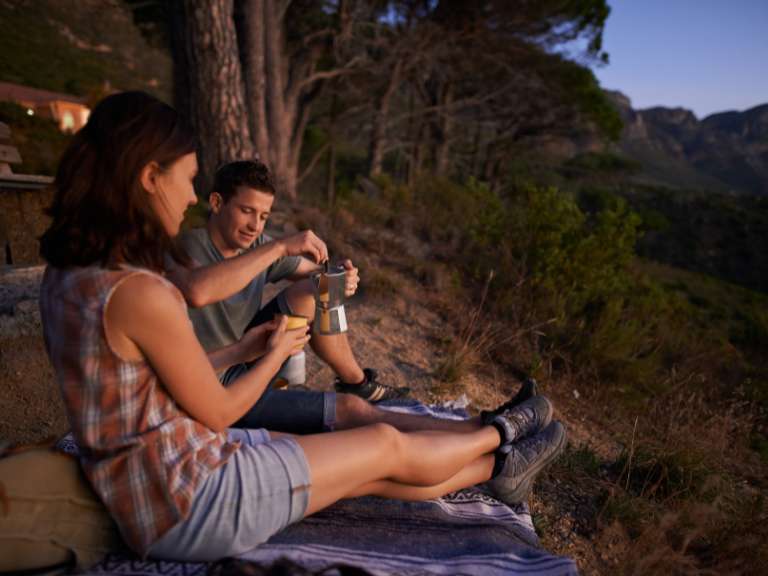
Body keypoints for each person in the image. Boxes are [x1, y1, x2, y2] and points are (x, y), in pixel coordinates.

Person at [38, 91, 566, 561]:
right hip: (191, 500)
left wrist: (242, 348)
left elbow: (144, 387)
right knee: (382, 442)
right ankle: (502, 435)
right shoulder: (139, 290)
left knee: (374, 471)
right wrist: (272, 354)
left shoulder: (67, 275)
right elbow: (219, 411)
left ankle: (500, 470)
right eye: (188, 179)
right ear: (149, 176)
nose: (192, 196)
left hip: (151, 493)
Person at [165, 159, 526, 436]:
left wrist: (340, 278)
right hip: (215, 383)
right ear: (216, 202)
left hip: (249, 357)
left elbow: (317, 276)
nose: (255, 226)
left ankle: (358, 382)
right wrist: (277, 247)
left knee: (316, 290)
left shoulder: (258, 246)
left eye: (263, 216)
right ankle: (484, 431)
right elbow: (199, 290)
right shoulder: (186, 248)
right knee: (351, 414)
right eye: (246, 211)